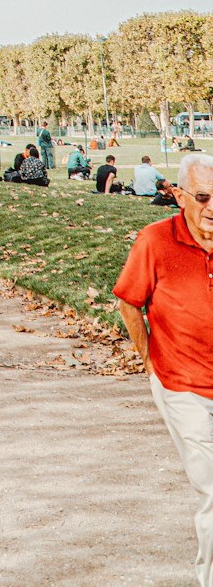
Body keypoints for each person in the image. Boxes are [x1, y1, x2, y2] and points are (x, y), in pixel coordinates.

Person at [115, 152, 213, 587]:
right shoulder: (155, 241)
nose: (212, 208)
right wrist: (149, 361)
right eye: (204, 197)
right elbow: (129, 302)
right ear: (178, 196)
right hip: (182, 384)